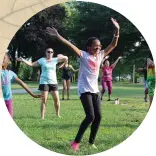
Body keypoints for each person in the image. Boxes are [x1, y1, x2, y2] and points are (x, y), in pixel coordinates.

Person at [46, 17, 120, 151]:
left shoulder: (101, 55)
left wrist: (117, 30)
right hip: (84, 89)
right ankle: (75, 143)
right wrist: (58, 36)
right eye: (95, 46)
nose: (98, 48)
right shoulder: (84, 55)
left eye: (99, 46)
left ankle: (91, 142)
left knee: (98, 117)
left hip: (94, 90)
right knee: (90, 116)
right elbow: (70, 45)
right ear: (89, 47)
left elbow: (113, 44)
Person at [17, 48, 68, 119]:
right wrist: (23, 60)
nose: (49, 53)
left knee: (56, 99)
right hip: (44, 82)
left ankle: (57, 114)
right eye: (48, 52)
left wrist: (60, 57)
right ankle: (42, 117)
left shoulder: (55, 60)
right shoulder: (42, 60)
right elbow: (32, 64)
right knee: (44, 100)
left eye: (51, 52)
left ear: (53, 53)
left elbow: (66, 58)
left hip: (53, 82)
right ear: (46, 52)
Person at [1, 53, 42, 118]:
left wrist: (33, 94)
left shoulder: (11, 74)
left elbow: (23, 84)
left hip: (8, 100)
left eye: (3, 58)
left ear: (8, 61)